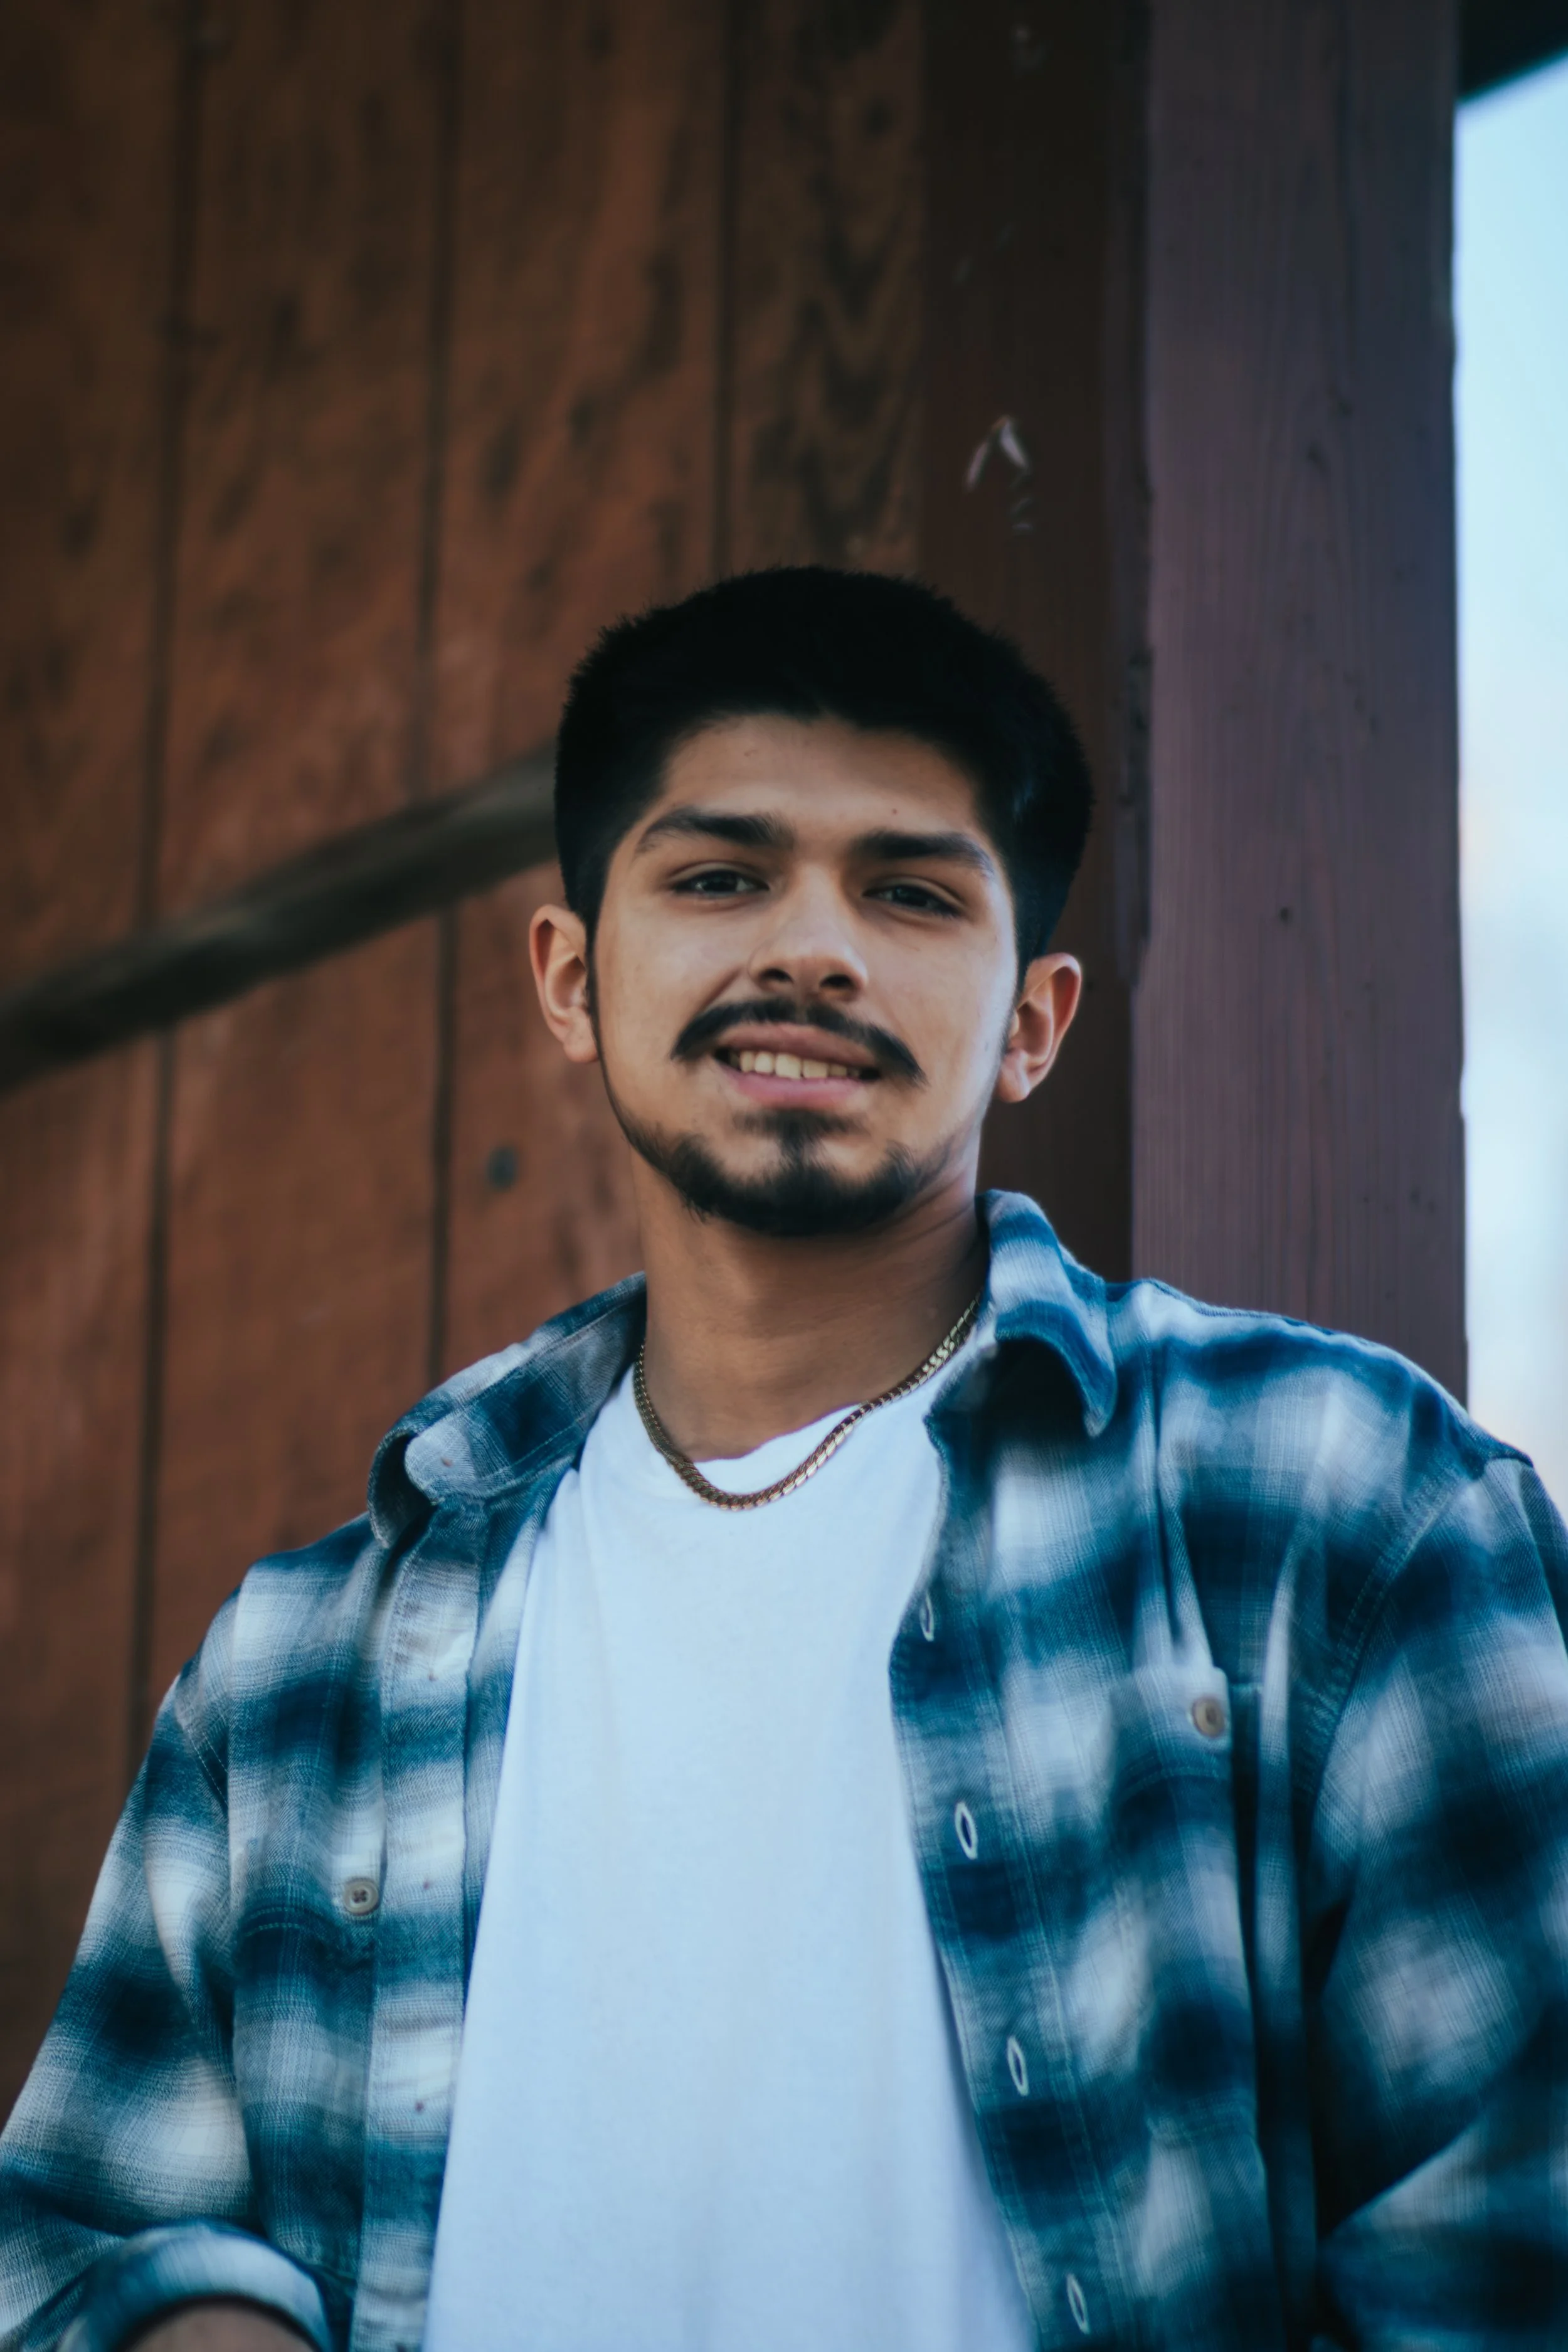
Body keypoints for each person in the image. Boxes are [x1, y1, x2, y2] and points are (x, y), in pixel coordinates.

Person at [3, 566, 1567, 2352]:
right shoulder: (303, 1667)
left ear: (1033, 1019)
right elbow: (66, 2228)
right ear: (573, 976)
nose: (810, 946)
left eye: (905, 890)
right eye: (719, 875)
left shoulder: (1335, 1515)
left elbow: (1513, 2243)